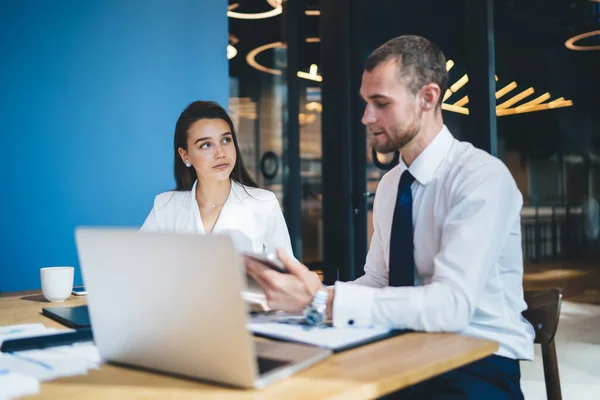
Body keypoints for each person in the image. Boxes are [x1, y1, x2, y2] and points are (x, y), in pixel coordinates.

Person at [245, 35, 535, 398]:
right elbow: (379, 280)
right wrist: (312, 292)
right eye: (366, 103)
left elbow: (452, 306)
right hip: (404, 350)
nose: (367, 117)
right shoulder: (391, 185)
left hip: (479, 360)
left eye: (381, 103)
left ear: (428, 98)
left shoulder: (481, 178)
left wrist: (321, 301)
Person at [141, 100, 293, 257]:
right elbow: (136, 265)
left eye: (226, 140)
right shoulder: (166, 207)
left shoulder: (264, 204)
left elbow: (288, 272)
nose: (221, 153)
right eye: (206, 145)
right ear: (185, 155)